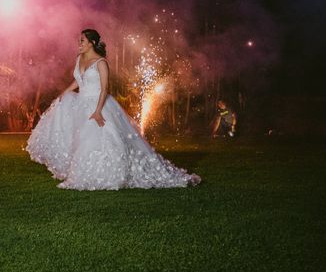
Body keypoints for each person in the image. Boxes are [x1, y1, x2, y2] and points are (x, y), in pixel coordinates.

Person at [26, 29, 201, 190]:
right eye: (79, 41)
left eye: (82, 41)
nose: (79, 44)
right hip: (80, 102)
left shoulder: (101, 63)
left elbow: (104, 89)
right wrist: (63, 94)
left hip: (99, 103)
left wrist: (97, 111)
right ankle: (77, 171)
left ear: (92, 43)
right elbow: (77, 82)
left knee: (97, 138)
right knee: (76, 134)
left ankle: (102, 174)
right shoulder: (79, 59)